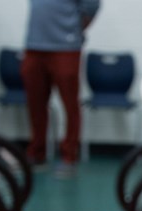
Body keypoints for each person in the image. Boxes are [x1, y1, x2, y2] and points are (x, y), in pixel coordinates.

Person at [22, 0, 99, 178]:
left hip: (65, 47)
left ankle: (69, 156)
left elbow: (92, 6)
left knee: (70, 105)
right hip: (34, 45)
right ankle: (37, 153)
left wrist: (72, 30)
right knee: (36, 104)